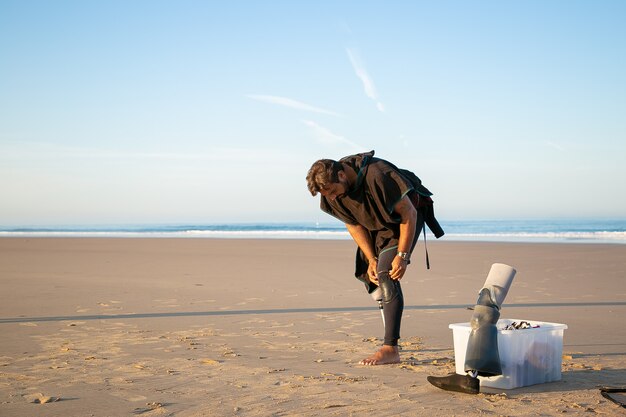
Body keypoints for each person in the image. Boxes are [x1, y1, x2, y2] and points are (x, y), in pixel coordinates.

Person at [306, 150, 444, 365]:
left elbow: (409, 213)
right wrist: (370, 258)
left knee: (387, 274)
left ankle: (390, 348)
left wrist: (403, 255)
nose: (332, 197)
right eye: (327, 195)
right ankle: (389, 327)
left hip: (404, 221)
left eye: (332, 191)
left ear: (342, 175)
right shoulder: (332, 193)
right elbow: (353, 224)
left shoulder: (378, 175)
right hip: (375, 225)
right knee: (373, 279)